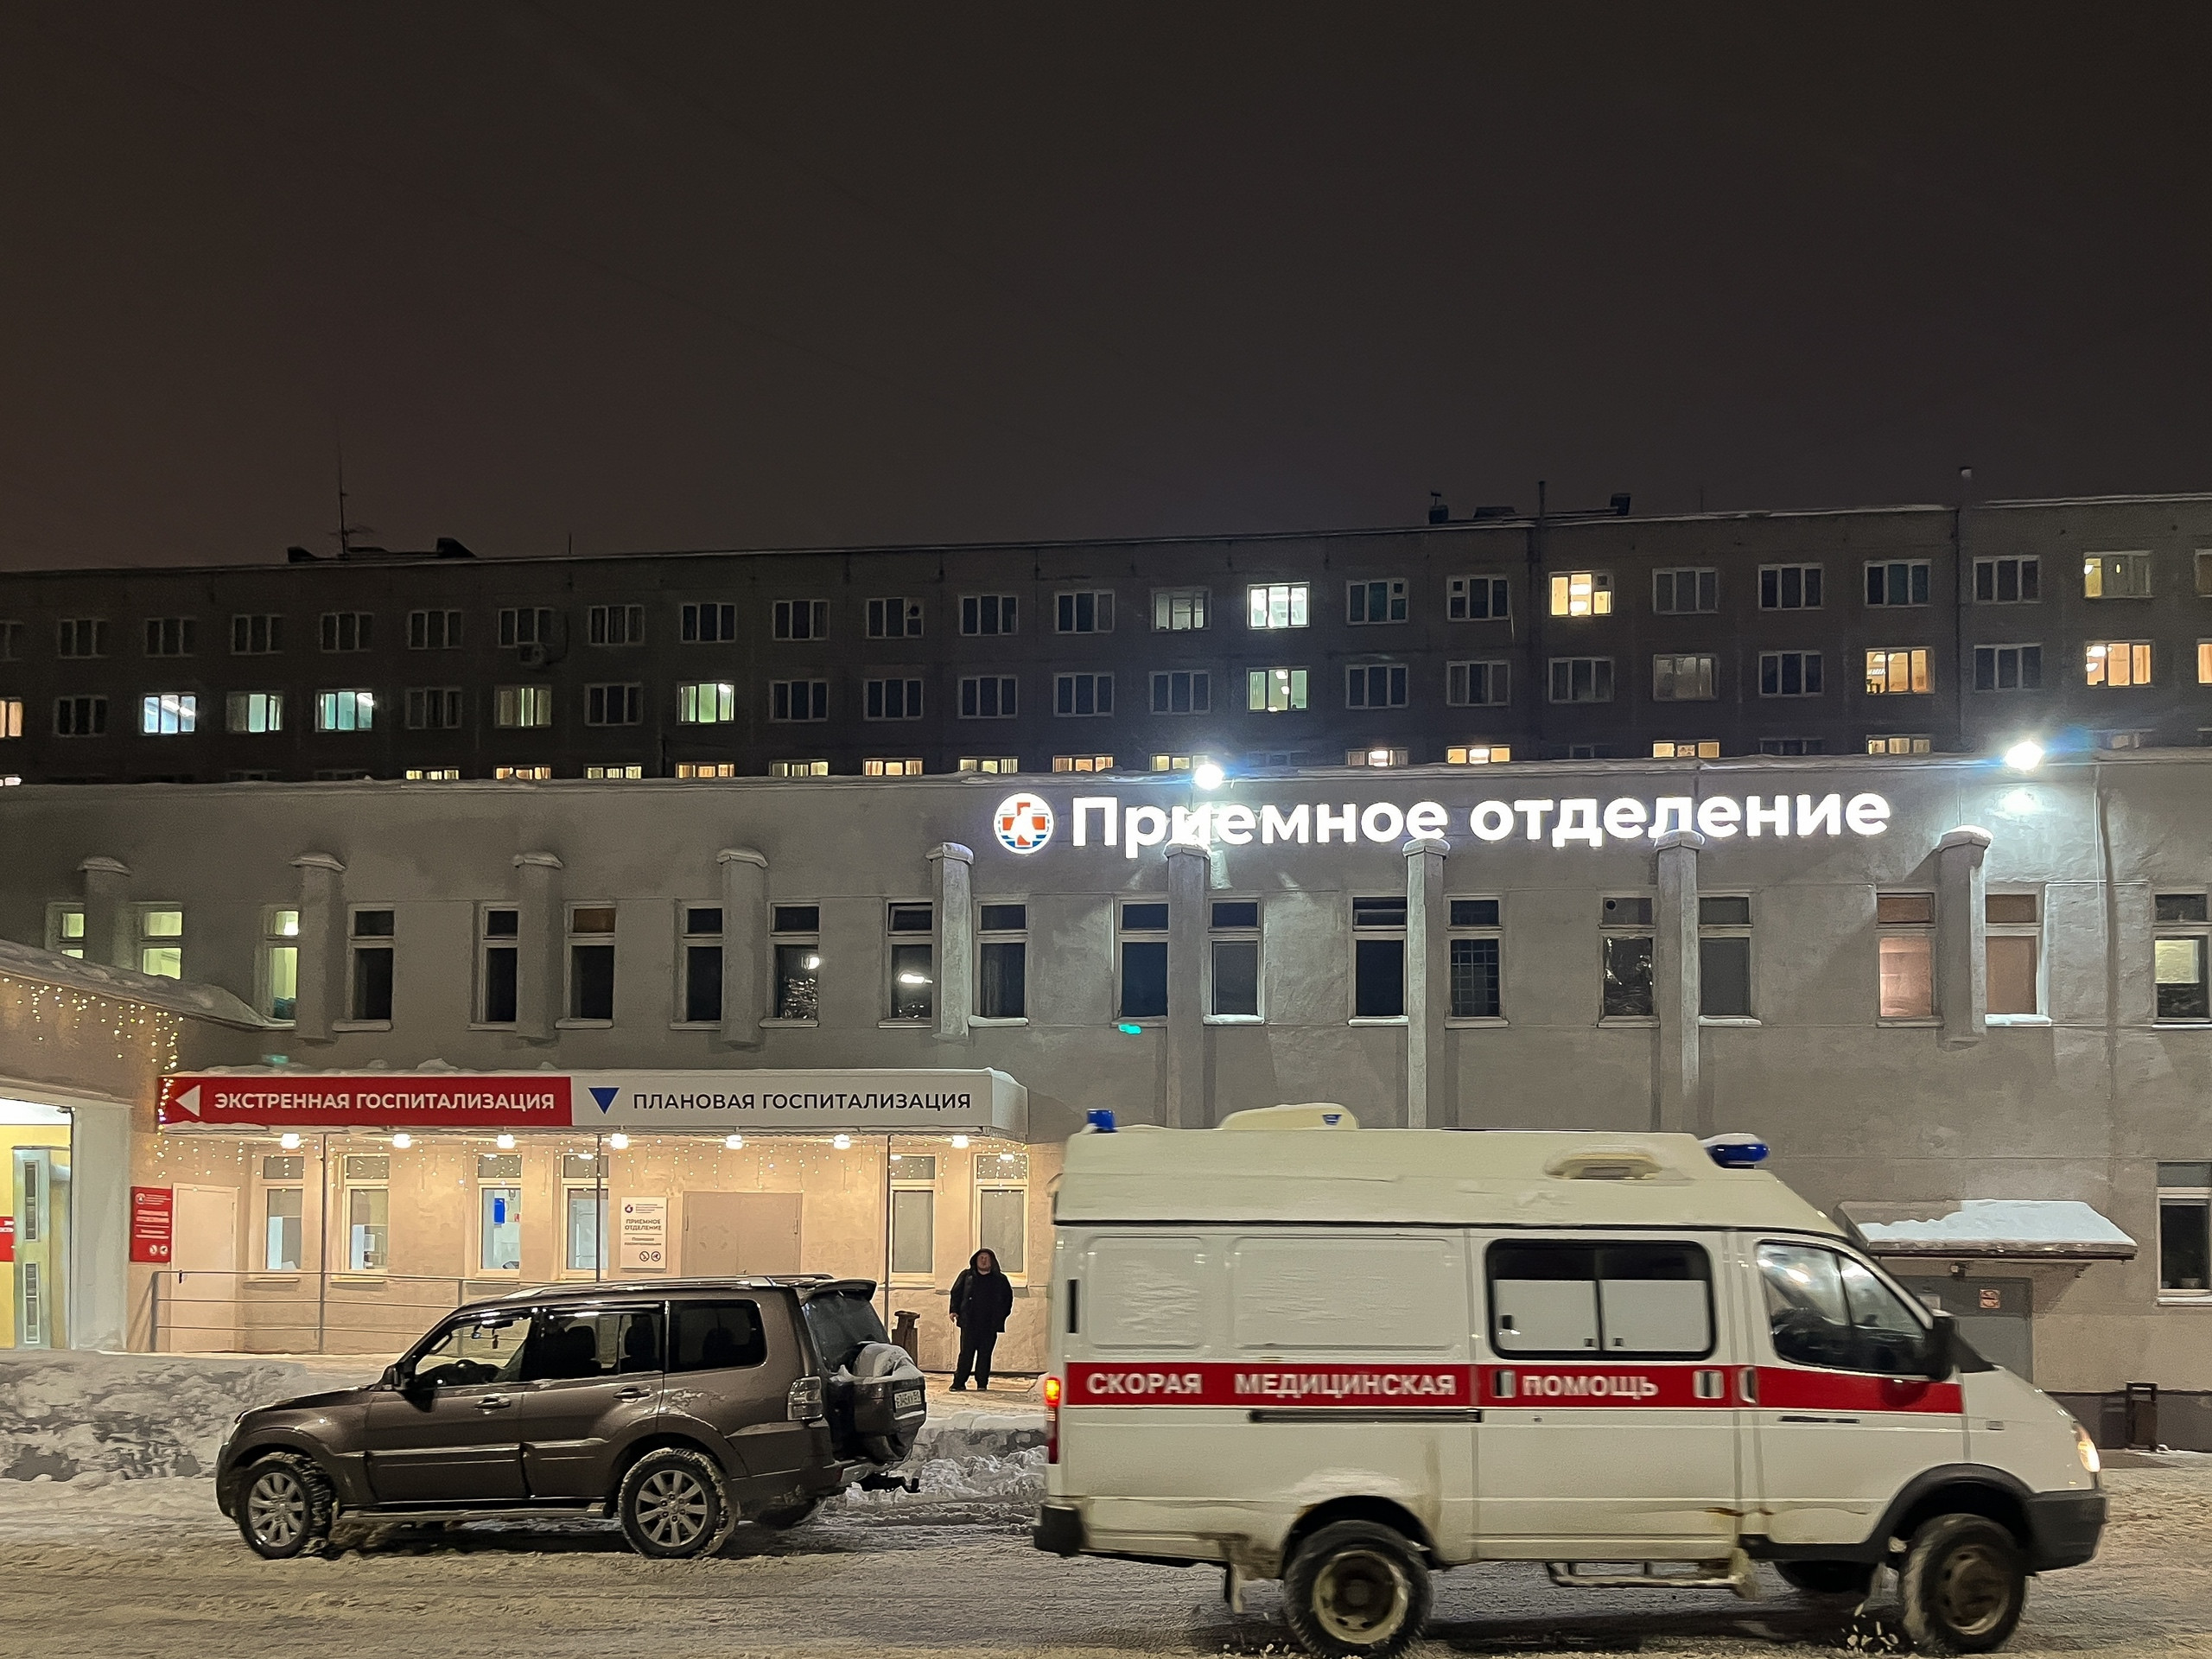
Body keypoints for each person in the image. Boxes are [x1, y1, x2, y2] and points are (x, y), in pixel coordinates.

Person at [948, 1248, 1014, 1390]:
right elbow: (956, 1293)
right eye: (981, 1258)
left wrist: (1001, 1316)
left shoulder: (1000, 1279)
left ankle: (982, 1383)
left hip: (989, 1325)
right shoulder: (967, 1276)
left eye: (986, 1258)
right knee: (966, 1354)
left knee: (985, 1355)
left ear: (992, 1261)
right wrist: (954, 1310)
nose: (983, 1261)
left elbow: (1007, 1299)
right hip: (969, 1323)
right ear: (976, 1260)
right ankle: (959, 1382)